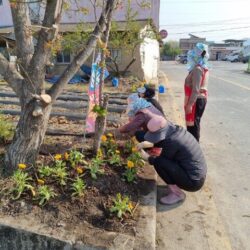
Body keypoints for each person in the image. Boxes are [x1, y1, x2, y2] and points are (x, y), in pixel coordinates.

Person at [137, 121, 207, 205]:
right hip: (199, 174)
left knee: (159, 162)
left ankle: (177, 194)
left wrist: (146, 157)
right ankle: (176, 185)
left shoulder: (171, 141)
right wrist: (147, 144)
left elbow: (159, 157)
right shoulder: (174, 130)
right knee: (161, 158)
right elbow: (161, 145)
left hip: (194, 182)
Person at [184, 43, 209, 142]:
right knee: (194, 124)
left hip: (195, 100)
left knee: (193, 125)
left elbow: (196, 89)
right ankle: (193, 146)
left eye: (192, 54)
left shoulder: (198, 69)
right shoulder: (201, 68)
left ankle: (194, 148)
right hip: (197, 99)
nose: (190, 56)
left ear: (196, 56)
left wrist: (190, 104)